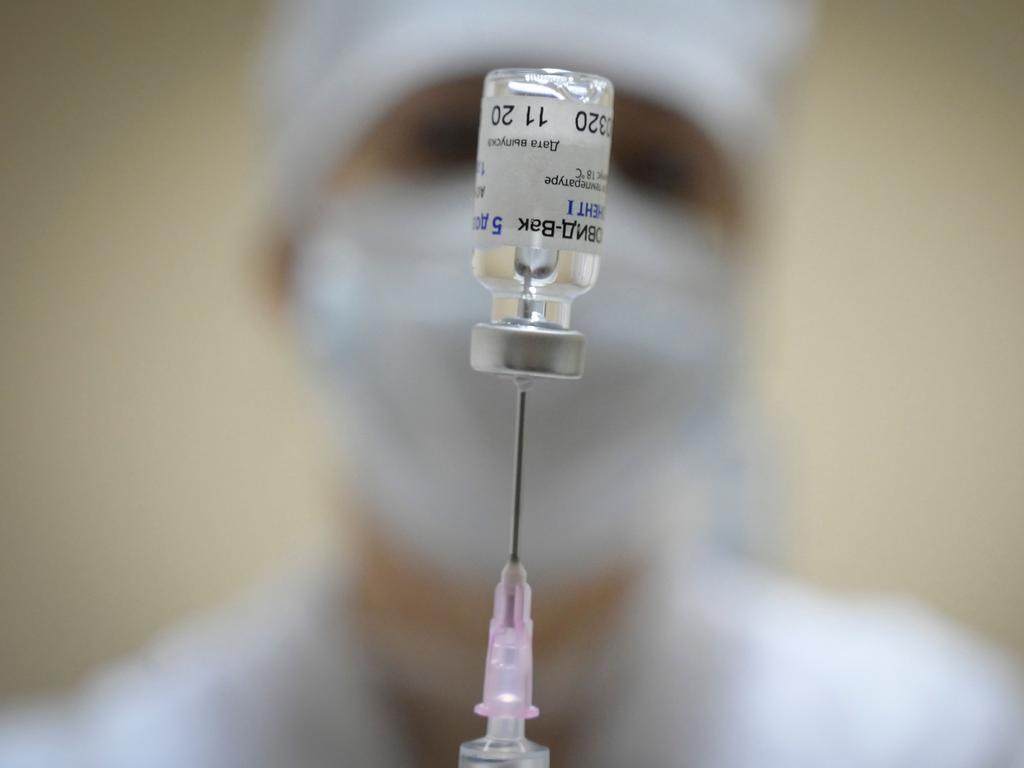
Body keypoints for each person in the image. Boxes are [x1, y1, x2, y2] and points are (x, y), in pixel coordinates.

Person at [2, 0, 1023, 766]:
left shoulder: (941, 738)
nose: (570, 227)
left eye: (660, 173)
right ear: (289, 261)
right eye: (454, 140)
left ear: (739, 281)